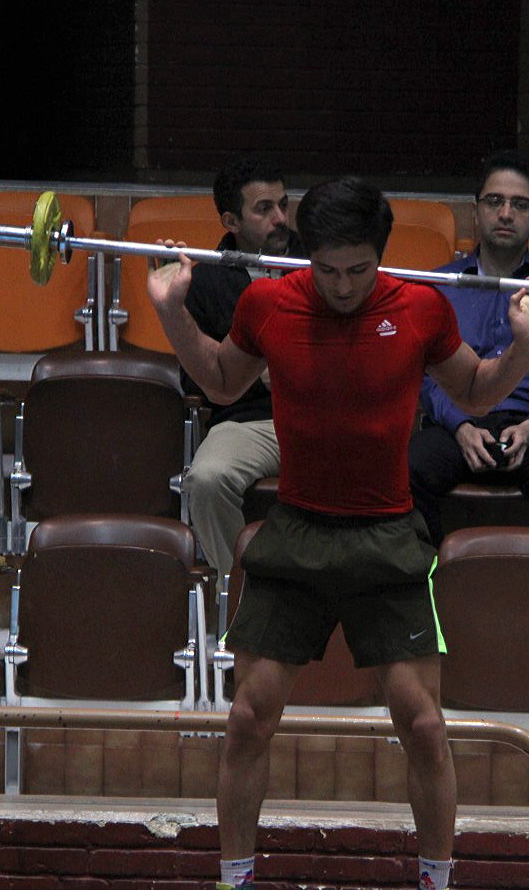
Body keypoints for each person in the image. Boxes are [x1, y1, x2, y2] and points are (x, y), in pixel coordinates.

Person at [147, 176, 529, 890]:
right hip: (297, 532)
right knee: (246, 716)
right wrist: (171, 311)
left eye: (358, 270)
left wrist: (526, 344)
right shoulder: (268, 303)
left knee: (424, 724)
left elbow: (474, 390)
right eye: (328, 270)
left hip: (385, 537)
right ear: (308, 256)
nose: (341, 286)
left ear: (381, 256)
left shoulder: (419, 308)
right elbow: (222, 382)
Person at [408, 150, 529, 547]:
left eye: (520, 205)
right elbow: (424, 374)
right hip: (456, 426)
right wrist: (460, 426)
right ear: (475, 211)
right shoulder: (439, 285)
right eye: (494, 201)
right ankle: (431, 577)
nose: (505, 214)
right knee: (409, 466)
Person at [182, 156, 302, 588]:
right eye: (264, 209)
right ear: (231, 221)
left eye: (283, 205)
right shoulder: (204, 280)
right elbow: (194, 381)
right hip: (249, 422)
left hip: (322, 416)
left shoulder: (324, 265)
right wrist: (249, 374)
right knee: (206, 480)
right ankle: (245, 597)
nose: (280, 218)